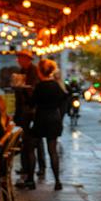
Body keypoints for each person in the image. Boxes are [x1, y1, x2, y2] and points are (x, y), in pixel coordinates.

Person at [31, 57, 70, 189]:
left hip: (40, 118)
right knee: (53, 150)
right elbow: (64, 100)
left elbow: (31, 103)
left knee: (32, 147)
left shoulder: (39, 87)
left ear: (40, 72)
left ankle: (31, 180)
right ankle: (57, 181)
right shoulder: (56, 86)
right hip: (54, 119)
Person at [12, 50, 39, 187]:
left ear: (28, 59)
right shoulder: (22, 71)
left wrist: (24, 88)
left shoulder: (33, 72)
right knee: (25, 143)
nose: (19, 60)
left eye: (21, 58)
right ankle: (26, 171)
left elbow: (33, 92)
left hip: (30, 113)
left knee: (29, 145)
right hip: (22, 111)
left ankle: (30, 176)